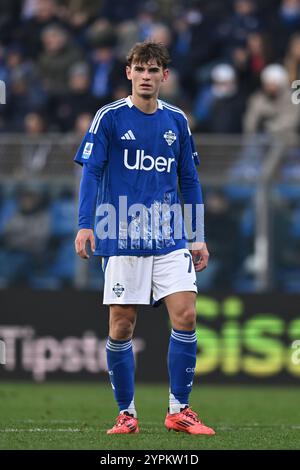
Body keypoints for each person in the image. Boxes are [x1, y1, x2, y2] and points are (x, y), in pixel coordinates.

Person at [74, 41, 215, 436]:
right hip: (121, 232)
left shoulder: (177, 121)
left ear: (164, 76)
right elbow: (92, 173)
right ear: (129, 73)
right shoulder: (109, 118)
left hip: (170, 236)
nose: (147, 76)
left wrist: (197, 234)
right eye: (141, 69)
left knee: (186, 315)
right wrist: (86, 224)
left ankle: (179, 409)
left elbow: (189, 179)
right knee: (122, 325)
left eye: (155, 70)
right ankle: (127, 413)